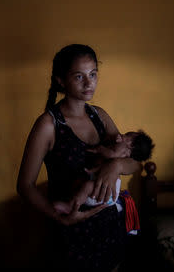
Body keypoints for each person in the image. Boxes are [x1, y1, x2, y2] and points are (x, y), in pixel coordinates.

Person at [16, 44, 143, 271]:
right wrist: (60, 217)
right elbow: (25, 186)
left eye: (93, 74)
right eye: (79, 76)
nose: (89, 83)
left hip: (109, 227)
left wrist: (115, 166)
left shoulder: (99, 116)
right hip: (72, 232)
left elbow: (134, 161)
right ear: (61, 81)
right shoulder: (49, 125)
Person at [53, 130, 154, 214]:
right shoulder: (127, 150)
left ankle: (70, 206)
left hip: (107, 194)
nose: (124, 134)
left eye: (129, 135)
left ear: (131, 143)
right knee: (82, 184)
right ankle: (75, 198)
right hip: (106, 190)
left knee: (87, 186)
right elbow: (106, 164)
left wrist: (100, 149)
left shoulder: (123, 147)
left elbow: (112, 155)